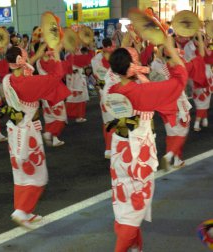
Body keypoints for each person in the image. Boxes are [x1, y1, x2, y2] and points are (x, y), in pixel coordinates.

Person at [107, 36, 187, 252]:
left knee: (123, 200)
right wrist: (172, 53)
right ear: (131, 67)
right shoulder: (142, 92)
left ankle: (134, 246)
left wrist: (140, 75)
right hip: (138, 153)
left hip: (119, 150)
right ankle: (122, 247)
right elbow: (178, 83)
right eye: (135, 59)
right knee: (136, 204)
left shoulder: (114, 89)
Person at [3, 44, 70, 229]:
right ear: (19, 61)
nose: (27, 58)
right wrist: (56, 56)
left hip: (14, 130)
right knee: (38, 174)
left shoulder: (7, 79)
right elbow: (55, 78)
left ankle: (24, 210)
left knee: (21, 174)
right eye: (25, 56)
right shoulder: (28, 83)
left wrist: (37, 56)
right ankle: (21, 211)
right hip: (28, 131)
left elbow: (27, 74)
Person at [36, 46, 72, 147]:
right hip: (54, 92)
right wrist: (56, 56)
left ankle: (54, 139)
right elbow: (60, 70)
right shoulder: (50, 62)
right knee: (61, 117)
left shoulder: (38, 62)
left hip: (44, 92)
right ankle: (49, 133)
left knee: (49, 117)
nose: (50, 51)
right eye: (47, 50)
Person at [91, 38, 115, 159]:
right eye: (110, 47)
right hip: (107, 93)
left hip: (113, 93)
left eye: (113, 47)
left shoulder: (113, 57)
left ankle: (111, 148)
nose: (112, 49)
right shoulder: (96, 60)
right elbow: (101, 77)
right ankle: (109, 148)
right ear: (104, 47)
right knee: (109, 122)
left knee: (111, 121)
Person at [65, 47, 95, 123]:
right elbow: (88, 59)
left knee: (76, 98)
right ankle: (73, 116)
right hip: (76, 78)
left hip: (74, 78)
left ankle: (77, 116)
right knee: (76, 98)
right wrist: (91, 49)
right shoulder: (73, 56)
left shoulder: (68, 55)